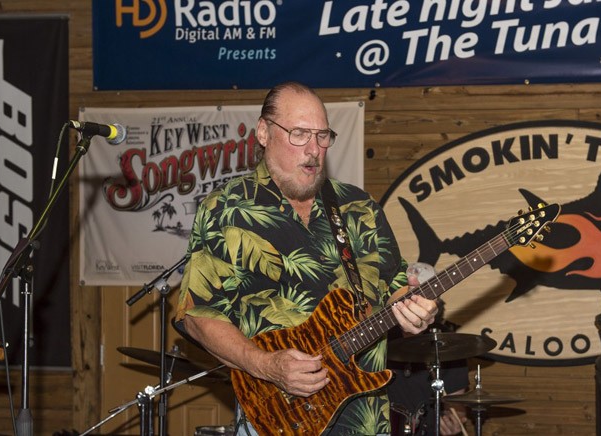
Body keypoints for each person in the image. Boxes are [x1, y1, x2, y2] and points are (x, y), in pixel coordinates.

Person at [174, 81, 438, 436]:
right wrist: (267, 365)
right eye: (299, 134)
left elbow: (394, 289)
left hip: (364, 418)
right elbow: (198, 315)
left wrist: (414, 311)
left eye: (322, 135)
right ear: (264, 132)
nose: (313, 149)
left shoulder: (359, 208)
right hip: (276, 418)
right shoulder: (226, 210)